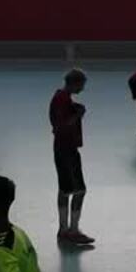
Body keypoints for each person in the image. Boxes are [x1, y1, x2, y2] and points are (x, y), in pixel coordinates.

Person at [50, 69, 94, 245]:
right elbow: (62, 125)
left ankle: (64, 230)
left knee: (66, 189)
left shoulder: (62, 98)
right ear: (75, 83)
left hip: (64, 148)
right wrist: (78, 114)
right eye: (82, 85)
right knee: (78, 190)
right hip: (66, 148)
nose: (82, 89)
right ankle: (71, 230)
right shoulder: (62, 100)